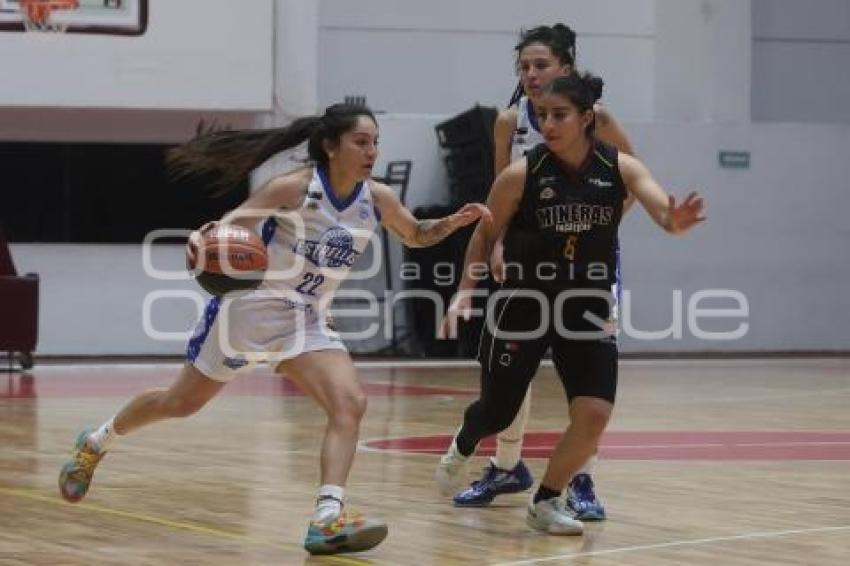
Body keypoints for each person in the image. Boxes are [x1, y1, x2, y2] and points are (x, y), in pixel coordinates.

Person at [57, 103, 491, 556]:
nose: (371, 151)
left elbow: (416, 234)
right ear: (331, 145)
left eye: (376, 142)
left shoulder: (376, 198)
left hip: (306, 319)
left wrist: (450, 224)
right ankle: (95, 441)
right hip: (248, 312)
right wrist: (205, 237)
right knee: (180, 403)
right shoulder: (296, 188)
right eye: (361, 142)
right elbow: (232, 223)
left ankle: (326, 518)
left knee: (350, 404)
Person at [437, 73, 705, 535]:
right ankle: (465, 439)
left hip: (585, 304)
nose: (548, 124)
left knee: (595, 413)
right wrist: (465, 289)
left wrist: (674, 221)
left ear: (587, 119)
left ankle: (546, 500)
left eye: (559, 115)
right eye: (542, 115)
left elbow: (661, 209)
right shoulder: (523, 173)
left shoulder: (620, 167)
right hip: (525, 301)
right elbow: (485, 232)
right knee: (497, 411)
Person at [437, 23, 635, 519]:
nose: (530, 74)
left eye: (541, 65)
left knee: (584, 385)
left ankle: (579, 483)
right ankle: (507, 466)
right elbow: (499, 195)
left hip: (586, 270)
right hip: (527, 263)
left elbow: (630, 181)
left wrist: (597, 227)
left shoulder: (598, 120)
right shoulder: (509, 121)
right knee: (513, 374)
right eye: (523, 66)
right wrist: (500, 244)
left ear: (566, 68)